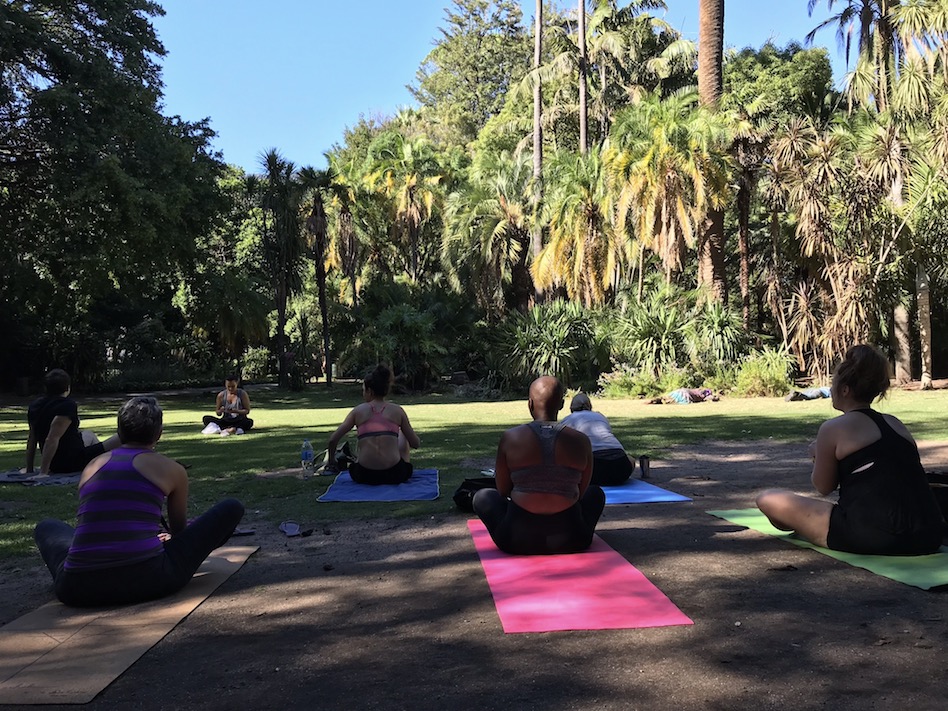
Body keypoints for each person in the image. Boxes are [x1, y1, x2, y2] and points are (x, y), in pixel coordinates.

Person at [34, 396, 245, 607]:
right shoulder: (171, 469)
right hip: (149, 579)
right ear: (159, 432)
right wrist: (162, 539)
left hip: (76, 587)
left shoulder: (92, 466)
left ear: (119, 432)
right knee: (231, 508)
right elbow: (180, 533)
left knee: (46, 527)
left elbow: (99, 522)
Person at [756, 345, 945, 555]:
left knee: (767, 499)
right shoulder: (897, 424)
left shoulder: (833, 428)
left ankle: (807, 528)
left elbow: (823, 486)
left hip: (873, 535)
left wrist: (817, 454)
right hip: (928, 534)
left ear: (845, 389)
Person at [473, 376, 605, 555]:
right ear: (561, 404)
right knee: (595, 493)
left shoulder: (511, 438)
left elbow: (503, 490)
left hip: (517, 539)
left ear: (529, 404)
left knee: (483, 497)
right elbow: (581, 493)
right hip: (573, 538)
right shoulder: (581, 441)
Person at [325, 364, 420, 485]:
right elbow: (415, 444)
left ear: (370, 391)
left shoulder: (358, 411)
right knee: (402, 433)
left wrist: (332, 462)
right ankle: (400, 461)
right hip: (395, 475)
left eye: (364, 390)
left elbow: (333, 440)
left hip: (364, 475)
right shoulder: (397, 411)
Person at [26, 369, 122, 475]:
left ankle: (101, 463)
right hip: (71, 463)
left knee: (89, 434)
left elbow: (32, 439)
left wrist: (29, 469)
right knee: (122, 437)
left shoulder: (35, 406)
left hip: (56, 462)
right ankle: (108, 465)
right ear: (67, 388)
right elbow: (52, 439)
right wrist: (43, 473)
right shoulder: (67, 405)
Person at [561, 392, 636, 486]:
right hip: (621, 468)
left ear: (571, 408)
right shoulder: (600, 416)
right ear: (590, 406)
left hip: (594, 471)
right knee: (631, 459)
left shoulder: (568, 419)